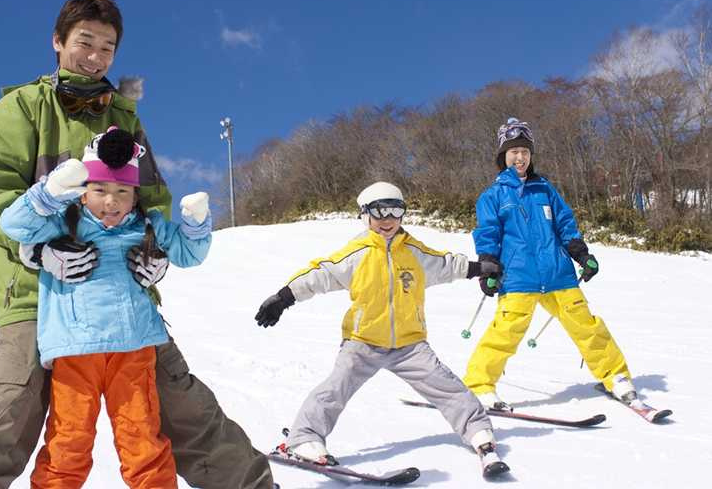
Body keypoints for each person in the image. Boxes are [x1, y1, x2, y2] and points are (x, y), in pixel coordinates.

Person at [0, 0, 273, 489]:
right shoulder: (21, 108)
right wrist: (37, 249)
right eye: (85, 42)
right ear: (58, 42)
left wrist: (154, 251)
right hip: (36, 289)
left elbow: (153, 196)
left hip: (119, 290)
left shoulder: (122, 116)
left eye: (107, 47)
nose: (95, 55)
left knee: (176, 395)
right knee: (15, 401)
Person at [0, 128, 211, 488]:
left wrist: (195, 222)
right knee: (68, 441)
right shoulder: (63, 222)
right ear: (82, 192)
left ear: (134, 195)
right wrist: (50, 192)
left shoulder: (148, 226)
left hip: (133, 350)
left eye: (121, 192)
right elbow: (13, 224)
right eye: (99, 190)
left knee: (142, 440)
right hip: (75, 350)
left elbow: (190, 255)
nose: (110, 202)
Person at [254, 181, 509, 476]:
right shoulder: (356, 254)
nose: (387, 221)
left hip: (410, 345)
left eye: (395, 211)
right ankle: (303, 439)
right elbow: (320, 274)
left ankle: (481, 436)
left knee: (449, 388)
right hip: (362, 342)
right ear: (365, 215)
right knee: (335, 389)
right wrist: (283, 298)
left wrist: (480, 269)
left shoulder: (415, 252)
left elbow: (447, 264)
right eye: (379, 212)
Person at [463, 117, 636, 410]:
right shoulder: (492, 196)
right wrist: (488, 265)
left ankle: (615, 377)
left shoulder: (546, 190)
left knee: (587, 327)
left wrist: (582, 255)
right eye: (514, 151)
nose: (520, 157)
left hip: (559, 275)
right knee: (504, 334)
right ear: (503, 156)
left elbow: (566, 225)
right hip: (518, 277)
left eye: (525, 152)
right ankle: (479, 386)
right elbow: (488, 233)